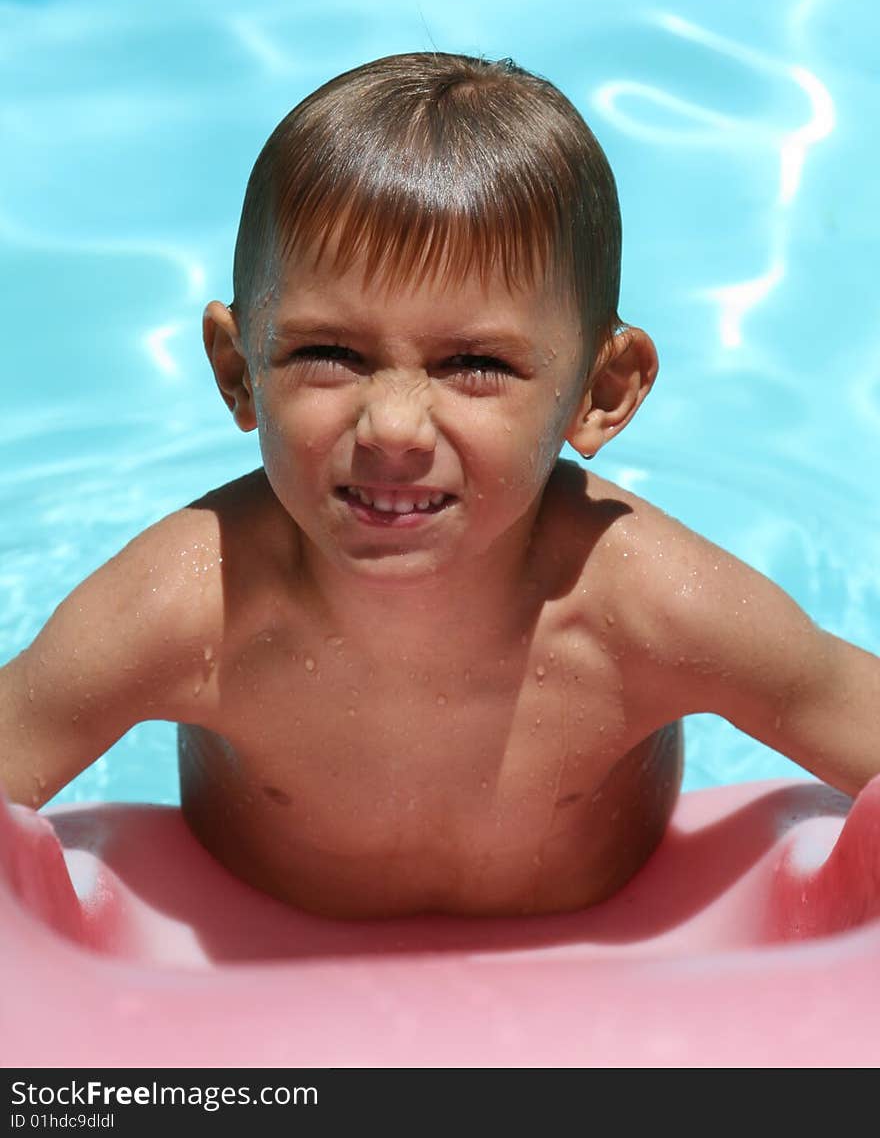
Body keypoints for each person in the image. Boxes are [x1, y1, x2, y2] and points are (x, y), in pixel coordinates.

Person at [1, 51, 877, 920]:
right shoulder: (191, 605)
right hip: (254, 960)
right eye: (329, 354)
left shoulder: (649, 608)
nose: (392, 426)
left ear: (600, 395)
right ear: (238, 372)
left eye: (474, 364)